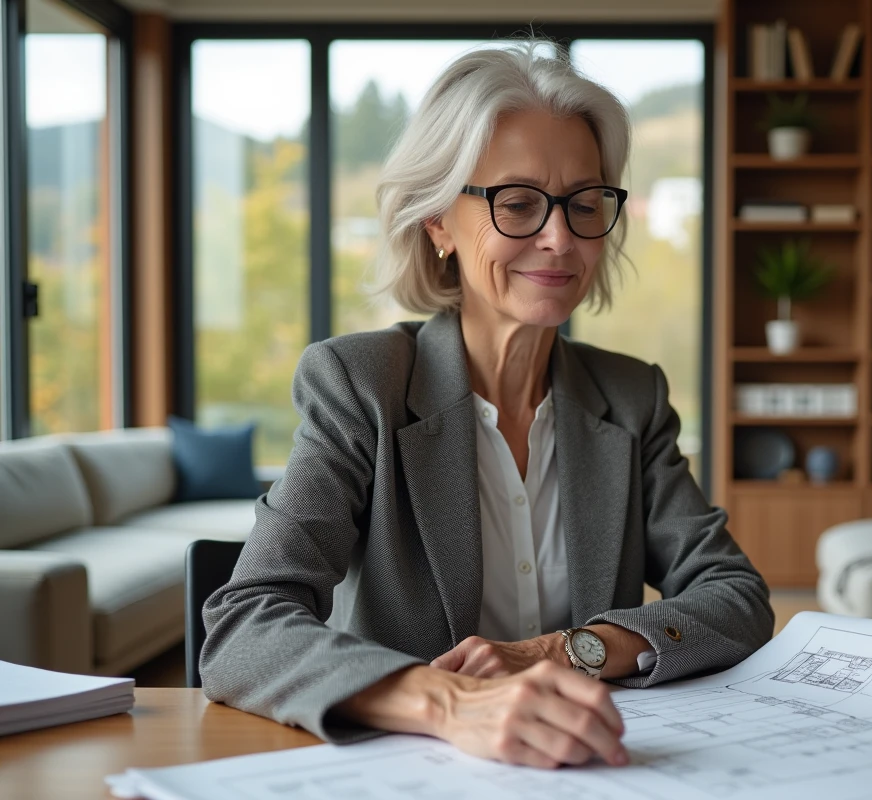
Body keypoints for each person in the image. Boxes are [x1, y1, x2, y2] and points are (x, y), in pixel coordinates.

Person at [199, 40, 774, 770]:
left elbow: (737, 595)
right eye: (519, 203)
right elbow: (245, 626)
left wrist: (568, 651)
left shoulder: (632, 398)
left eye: (584, 203)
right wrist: (451, 703)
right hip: (408, 771)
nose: (560, 238)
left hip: (589, 767)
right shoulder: (362, 385)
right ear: (438, 221)